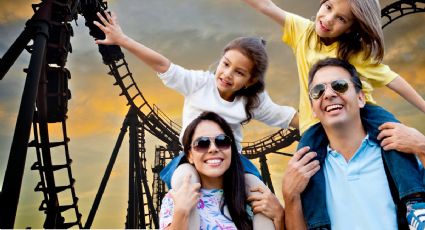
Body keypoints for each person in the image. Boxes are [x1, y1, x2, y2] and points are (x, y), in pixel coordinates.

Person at [93, 11, 294, 229]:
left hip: (234, 162)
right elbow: (163, 66)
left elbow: (287, 116)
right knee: (186, 184)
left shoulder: (252, 102)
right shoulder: (200, 83)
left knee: (259, 192)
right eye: (225, 64)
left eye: (239, 72)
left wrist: (328, 118)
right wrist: (123, 40)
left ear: (249, 81)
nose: (227, 74)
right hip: (191, 160)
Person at [241, 0, 425, 228]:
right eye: (328, 8)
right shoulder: (303, 32)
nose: (329, 19)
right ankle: (318, 224)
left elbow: (394, 81)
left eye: (341, 18)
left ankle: (415, 202)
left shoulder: (354, 53)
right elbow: (266, 6)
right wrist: (290, 196)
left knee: (394, 136)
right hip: (312, 123)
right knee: (304, 168)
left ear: (351, 28)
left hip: (367, 111)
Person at [282, 57, 424, 229]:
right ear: (312, 110)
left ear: (361, 98)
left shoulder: (399, 151)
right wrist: (290, 197)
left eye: (339, 85)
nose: (328, 94)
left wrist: (423, 147)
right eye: (318, 91)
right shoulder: (307, 172)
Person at [159, 111, 253, 230]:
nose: (213, 149)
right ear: (190, 156)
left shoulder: (252, 197)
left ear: (232, 150)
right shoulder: (174, 198)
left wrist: (279, 215)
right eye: (202, 143)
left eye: (222, 141)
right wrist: (181, 212)